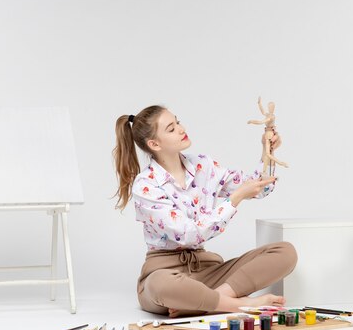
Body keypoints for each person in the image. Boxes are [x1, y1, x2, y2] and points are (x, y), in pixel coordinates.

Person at [113, 105, 297, 317]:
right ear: (154, 144)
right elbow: (189, 235)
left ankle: (211, 301)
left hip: (208, 271)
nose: (181, 129)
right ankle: (239, 305)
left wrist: (268, 153)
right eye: (171, 129)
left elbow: (258, 188)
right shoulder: (146, 186)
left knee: (285, 252)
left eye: (178, 122)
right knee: (160, 284)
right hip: (165, 273)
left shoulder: (203, 165)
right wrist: (235, 198)